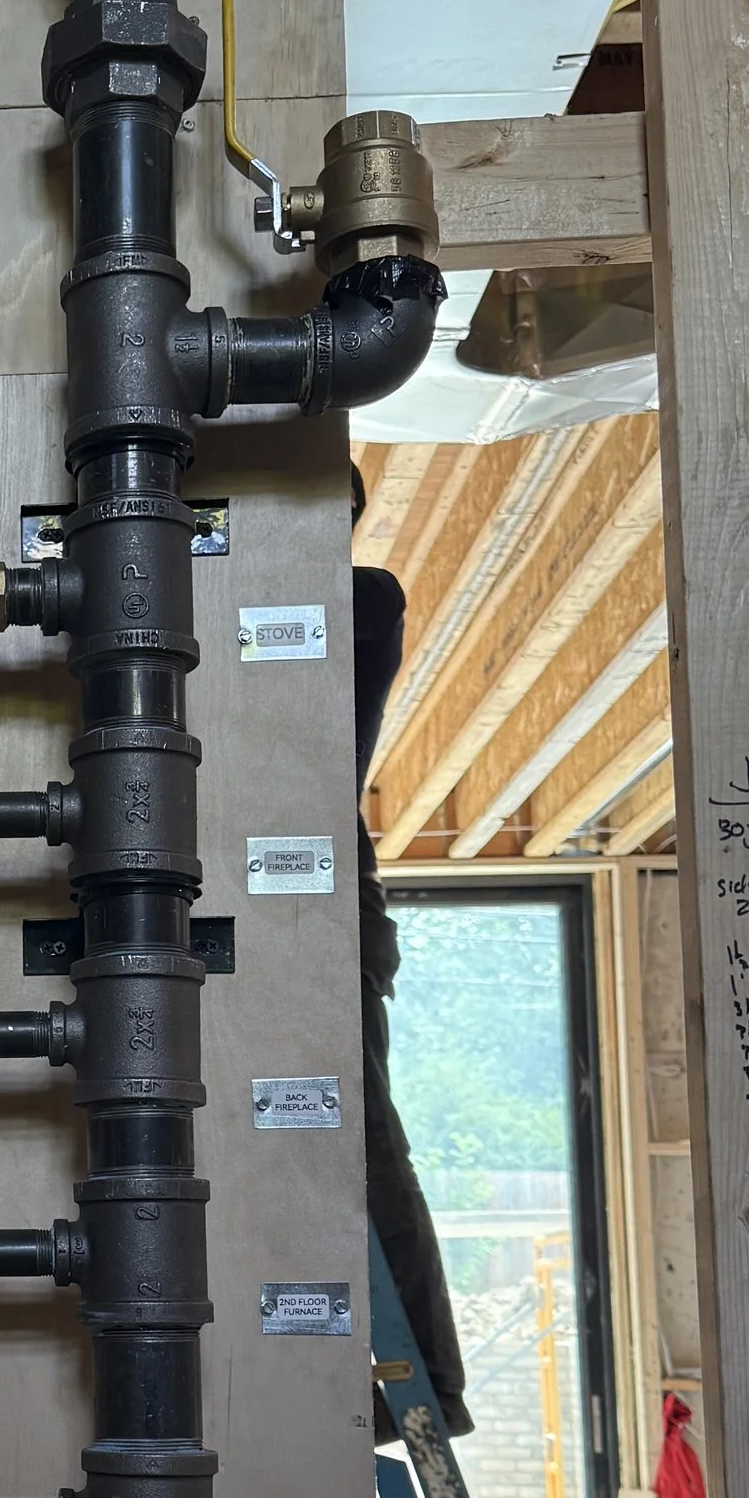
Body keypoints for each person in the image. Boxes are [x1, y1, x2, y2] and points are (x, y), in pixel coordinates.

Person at [351, 484, 471, 1433]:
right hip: (306, 914)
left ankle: (423, 1379)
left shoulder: (361, 604)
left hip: (332, 924)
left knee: (362, 1139)